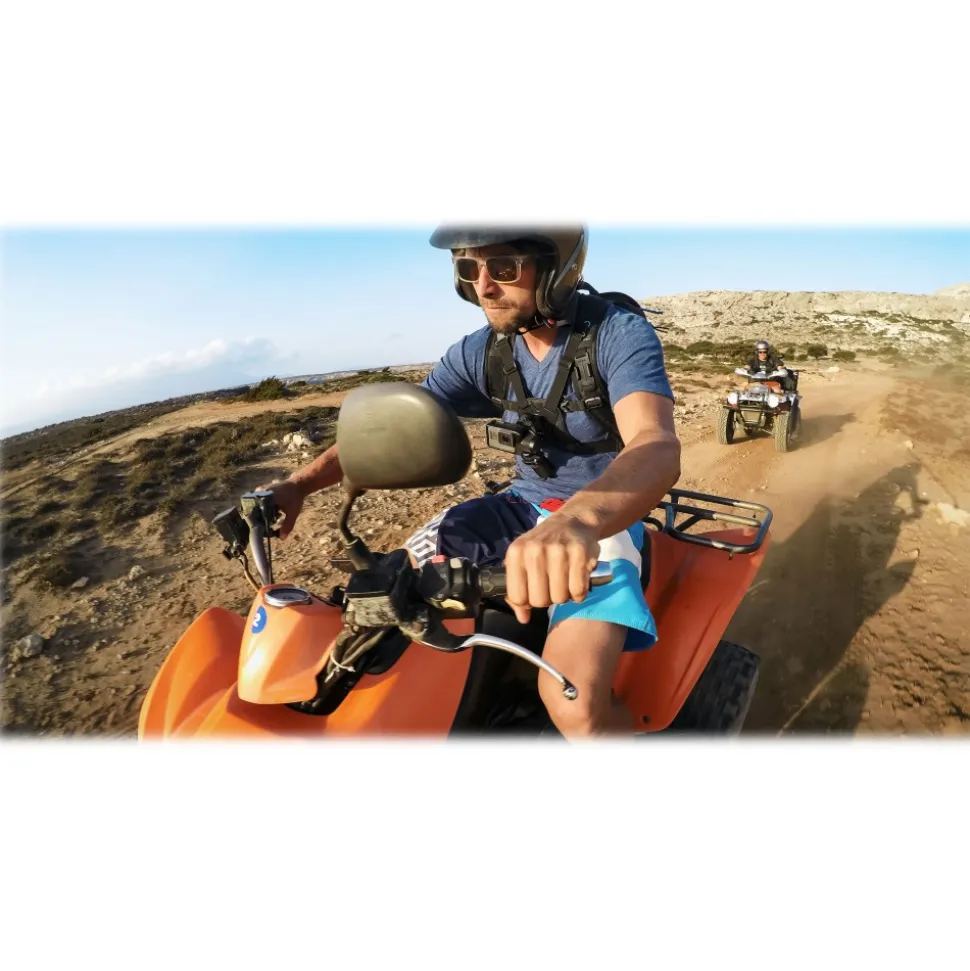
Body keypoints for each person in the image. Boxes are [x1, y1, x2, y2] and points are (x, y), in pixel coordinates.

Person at [259, 226, 681, 737]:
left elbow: (654, 444)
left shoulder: (617, 334)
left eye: (503, 268)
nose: (483, 286)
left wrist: (577, 521)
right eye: (468, 269)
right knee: (382, 599)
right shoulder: (482, 353)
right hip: (516, 506)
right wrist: (297, 486)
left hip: (600, 519)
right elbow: (392, 427)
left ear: (556, 268)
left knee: (575, 706)